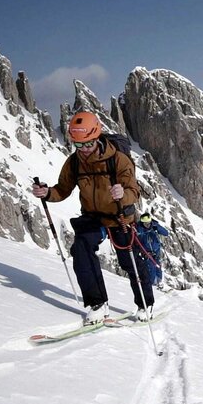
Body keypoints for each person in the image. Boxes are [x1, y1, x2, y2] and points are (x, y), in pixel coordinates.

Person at [31, 111, 154, 324]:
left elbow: (134, 191)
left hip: (119, 217)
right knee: (81, 249)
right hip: (92, 216)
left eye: (87, 144)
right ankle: (97, 304)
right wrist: (47, 193)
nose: (83, 150)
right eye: (78, 145)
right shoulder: (75, 163)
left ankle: (145, 304)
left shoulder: (118, 160)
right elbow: (62, 189)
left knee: (129, 261)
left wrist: (123, 195)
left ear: (97, 137)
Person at [136, 212, 169, 290]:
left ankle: (159, 282)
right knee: (151, 268)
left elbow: (166, 233)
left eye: (149, 223)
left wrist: (157, 227)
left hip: (156, 251)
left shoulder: (154, 227)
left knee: (158, 267)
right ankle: (152, 285)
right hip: (147, 253)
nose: (148, 225)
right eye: (145, 224)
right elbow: (137, 240)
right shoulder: (139, 229)